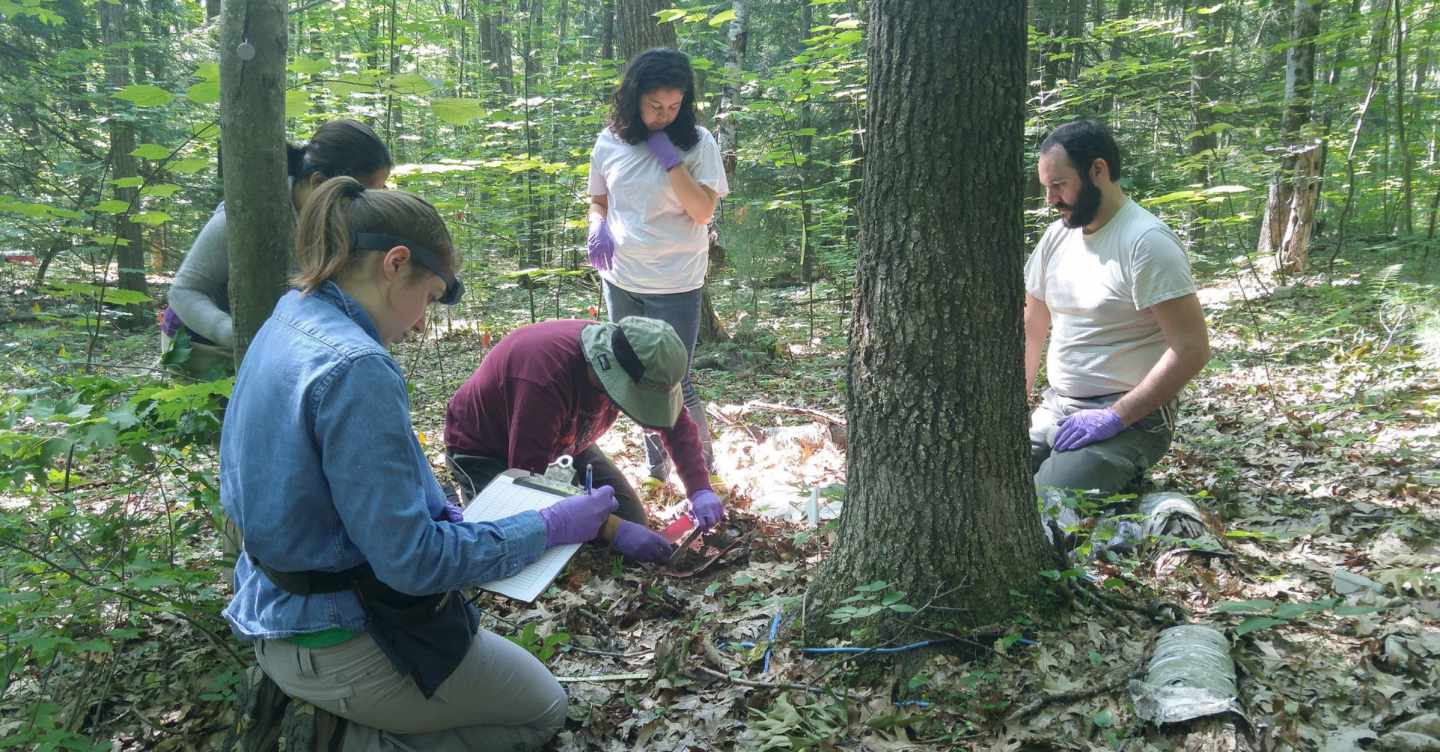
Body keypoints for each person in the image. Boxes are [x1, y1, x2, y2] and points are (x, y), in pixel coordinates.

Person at [220, 177, 614, 750]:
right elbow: (413, 564)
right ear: (395, 264)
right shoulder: (357, 366)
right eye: (429, 296)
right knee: (542, 711)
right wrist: (549, 526)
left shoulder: (291, 315)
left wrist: (442, 515)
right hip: (342, 636)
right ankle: (338, 740)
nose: (424, 321)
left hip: (274, 608)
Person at [1024, 119, 1211, 496]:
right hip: (1056, 407)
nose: (1050, 200)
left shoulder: (1146, 243)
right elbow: (1032, 326)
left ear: (1098, 170)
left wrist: (1114, 417)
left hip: (1132, 418)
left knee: (1043, 504)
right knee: (987, 480)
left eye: (1059, 185)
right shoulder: (1056, 237)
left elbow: (1192, 349)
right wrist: (1013, 402)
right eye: (1047, 188)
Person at [444, 316, 727, 564]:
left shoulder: (638, 356)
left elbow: (676, 424)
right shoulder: (542, 379)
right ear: (612, 374)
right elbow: (529, 483)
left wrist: (700, 489)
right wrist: (612, 529)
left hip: (568, 442)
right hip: (488, 452)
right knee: (515, 543)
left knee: (632, 523)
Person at [586, 47, 729, 482]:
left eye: (674, 106)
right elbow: (599, 199)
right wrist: (596, 227)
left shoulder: (698, 144)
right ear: (634, 99)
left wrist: (670, 160)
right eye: (655, 106)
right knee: (635, 374)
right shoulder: (609, 140)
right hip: (622, 278)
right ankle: (656, 468)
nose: (665, 114)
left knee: (673, 380)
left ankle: (703, 470)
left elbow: (703, 211)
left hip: (676, 282)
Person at [164, 118, 393, 352]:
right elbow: (184, 292)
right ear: (320, 184)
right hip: (198, 343)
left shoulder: (337, 220)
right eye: (362, 196)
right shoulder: (246, 218)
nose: (370, 206)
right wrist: (238, 337)